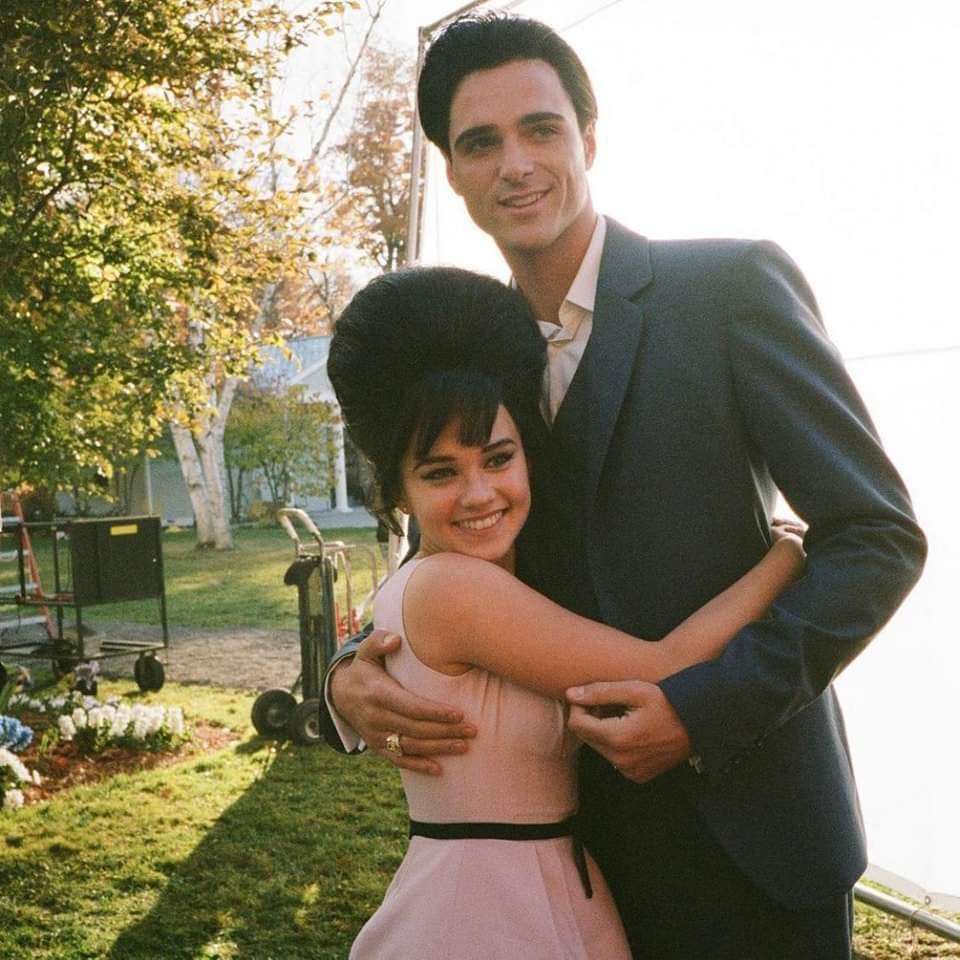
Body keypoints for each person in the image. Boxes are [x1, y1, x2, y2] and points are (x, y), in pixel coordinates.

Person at [324, 13, 927, 959]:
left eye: (541, 129)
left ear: (589, 139)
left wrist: (701, 713)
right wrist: (348, 672)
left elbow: (876, 535)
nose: (516, 164)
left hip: (757, 838)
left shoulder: (728, 288)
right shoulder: (474, 348)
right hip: (580, 862)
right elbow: (447, 538)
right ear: (452, 170)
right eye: (481, 143)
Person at [329, 266, 806, 959]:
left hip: (552, 882)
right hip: (481, 910)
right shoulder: (453, 589)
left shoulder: (485, 576)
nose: (479, 493)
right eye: (440, 473)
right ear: (399, 492)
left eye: (498, 459)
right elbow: (659, 666)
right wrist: (786, 557)